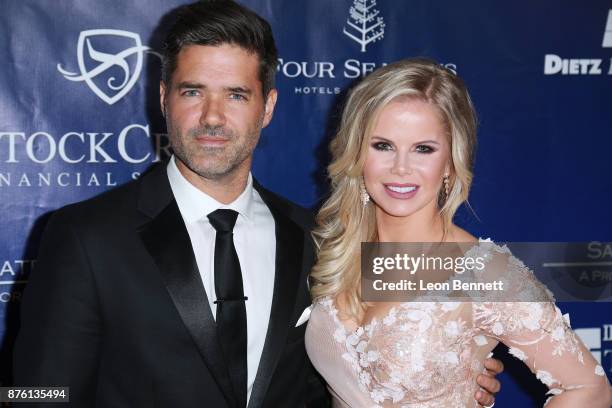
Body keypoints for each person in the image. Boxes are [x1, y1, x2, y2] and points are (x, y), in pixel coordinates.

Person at [13, 1, 502, 407]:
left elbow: (358, 363)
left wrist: (449, 372)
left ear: (267, 107)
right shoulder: (86, 236)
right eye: (192, 92)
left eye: (235, 95)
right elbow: (38, 393)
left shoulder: (320, 239)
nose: (211, 117)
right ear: (164, 98)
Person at [305, 58, 612, 407]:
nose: (401, 167)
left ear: (450, 162)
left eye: (423, 149)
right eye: (383, 145)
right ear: (358, 152)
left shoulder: (483, 271)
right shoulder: (337, 249)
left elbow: (589, 389)